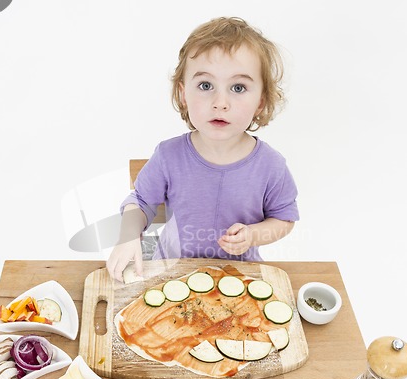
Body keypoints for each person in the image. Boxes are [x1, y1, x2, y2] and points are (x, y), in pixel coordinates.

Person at [107, 17, 299, 282]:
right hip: (170, 272)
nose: (220, 103)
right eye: (206, 86)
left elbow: (284, 220)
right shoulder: (168, 156)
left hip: (239, 277)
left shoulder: (271, 166)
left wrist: (254, 235)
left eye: (238, 88)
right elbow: (140, 202)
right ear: (183, 94)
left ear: (260, 101)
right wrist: (128, 236)